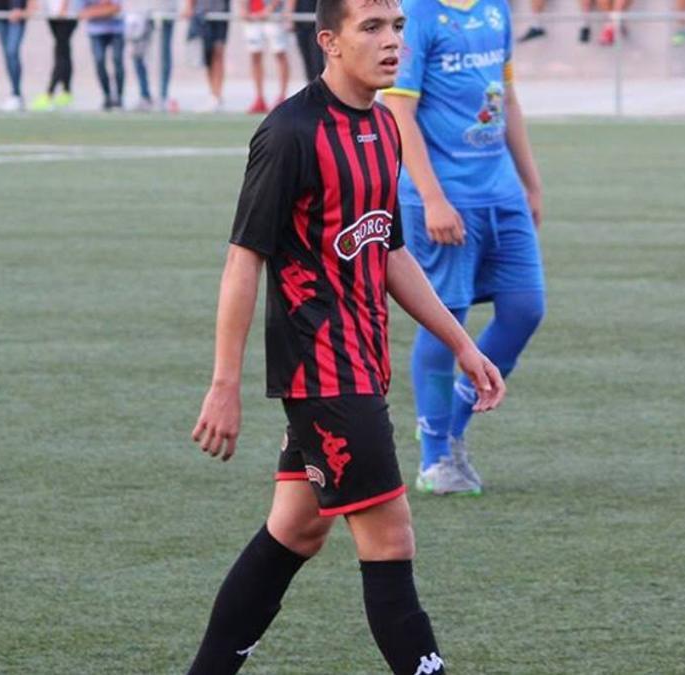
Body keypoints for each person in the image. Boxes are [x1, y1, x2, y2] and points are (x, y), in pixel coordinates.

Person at [187, 0, 505, 670]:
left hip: (360, 364)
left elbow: (388, 251)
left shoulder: (385, 126)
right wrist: (224, 384)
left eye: (396, 27)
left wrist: (462, 343)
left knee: (296, 528)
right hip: (324, 374)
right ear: (330, 41)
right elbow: (244, 259)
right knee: (391, 538)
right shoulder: (290, 133)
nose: (393, 41)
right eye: (373, 28)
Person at [382, 0, 545, 495]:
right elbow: (399, 111)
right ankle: (436, 456)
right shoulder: (418, 14)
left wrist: (530, 183)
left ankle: (448, 422)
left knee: (524, 309)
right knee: (444, 317)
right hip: (445, 196)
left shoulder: (496, 9)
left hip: (501, 191)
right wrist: (432, 198)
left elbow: (508, 98)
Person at [0, 0, 36, 110]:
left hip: (16, 17)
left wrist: (26, 10)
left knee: (12, 52)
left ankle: (16, 94)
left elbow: (32, 5)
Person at [241, 0, 289, 113]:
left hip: (273, 15)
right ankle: (259, 97)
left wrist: (269, 9)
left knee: (279, 53)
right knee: (255, 55)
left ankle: (282, 96)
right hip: (252, 16)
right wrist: (243, 8)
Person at [181, 0, 229, 111]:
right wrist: (189, 6)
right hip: (202, 13)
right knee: (208, 55)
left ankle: (218, 95)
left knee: (218, 52)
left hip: (221, 11)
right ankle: (213, 95)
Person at [78, 0, 126, 110]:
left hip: (116, 31)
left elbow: (116, 8)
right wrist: (105, 8)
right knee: (99, 61)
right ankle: (107, 96)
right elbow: (82, 13)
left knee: (117, 61)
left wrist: (95, 9)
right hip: (96, 32)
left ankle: (119, 97)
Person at [32, 0, 78, 110]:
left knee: (61, 52)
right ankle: (66, 92)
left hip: (65, 15)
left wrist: (64, 7)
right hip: (52, 14)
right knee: (64, 52)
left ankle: (50, 93)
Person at [288, 0, 322, 82]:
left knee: (317, 61)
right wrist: (290, 16)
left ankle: (320, 88)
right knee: (307, 60)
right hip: (301, 21)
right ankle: (312, 88)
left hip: (318, 22)